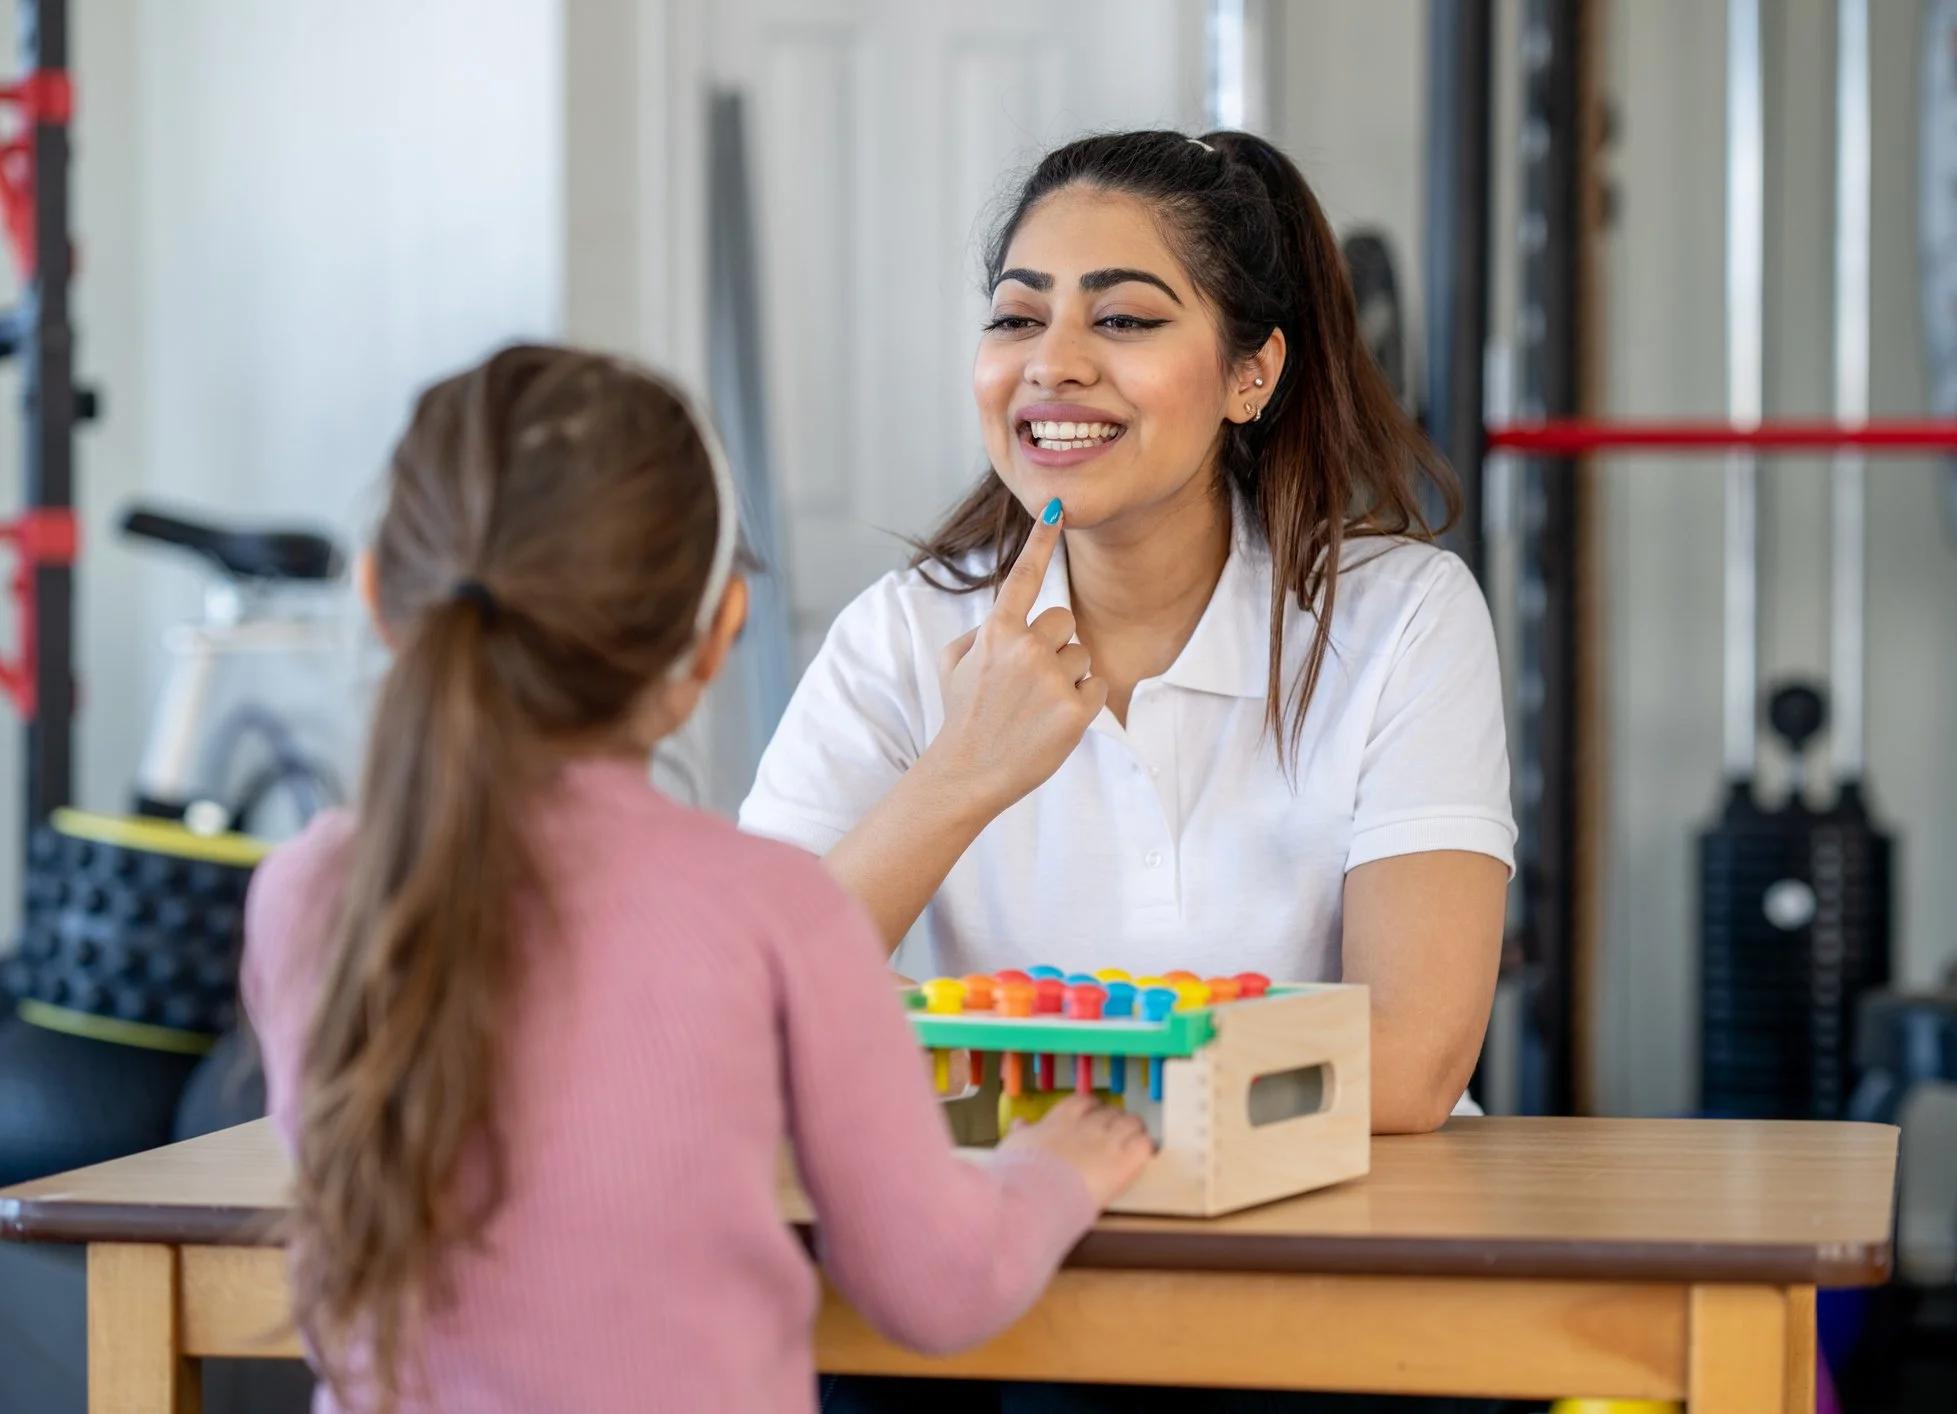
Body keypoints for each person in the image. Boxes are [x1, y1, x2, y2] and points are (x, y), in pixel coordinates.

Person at [741, 126, 1516, 1414]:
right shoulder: (901, 635)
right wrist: (960, 775)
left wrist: (1038, 1116)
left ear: (1252, 372)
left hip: (1329, 1279)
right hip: (981, 1282)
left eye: (1128, 319)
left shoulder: (1402, 617)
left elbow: (1418, 1058)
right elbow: (743, 1020)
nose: (1053, 366)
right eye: (1016, 316)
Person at [240, 344, 1152, 1414]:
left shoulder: (303, 889)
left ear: (380, 600)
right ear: (719, 633)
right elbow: (939, 1287)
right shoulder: (774, 912)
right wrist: (1058, 1168)